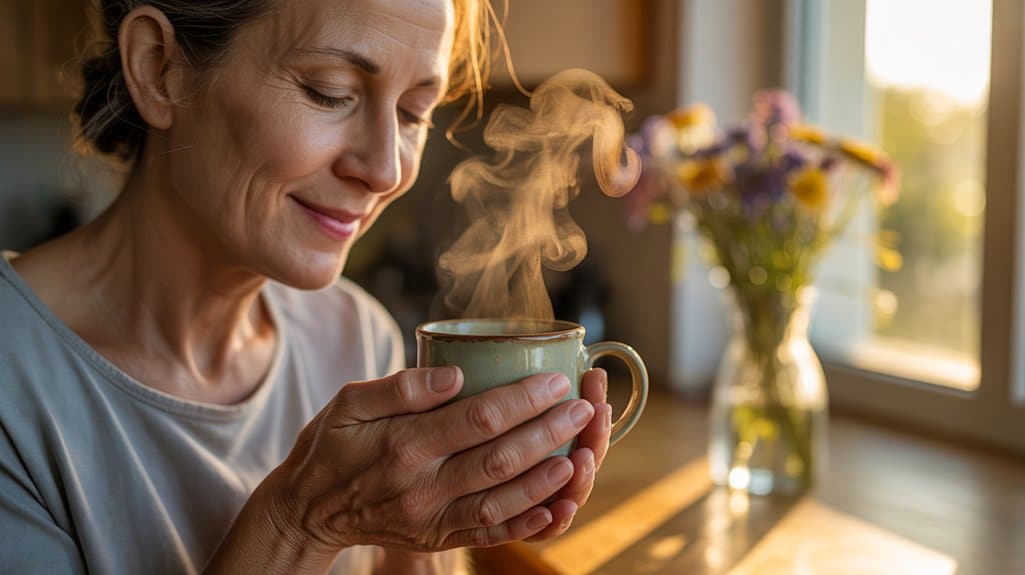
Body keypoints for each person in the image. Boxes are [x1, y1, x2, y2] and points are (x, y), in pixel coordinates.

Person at [0, 0, 614, 573]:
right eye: (330, 92)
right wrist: (300, 524)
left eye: (412, 113)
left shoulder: (358, 338)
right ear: (159, 68)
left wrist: (435, 530)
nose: (385, 170)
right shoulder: (15, 386)